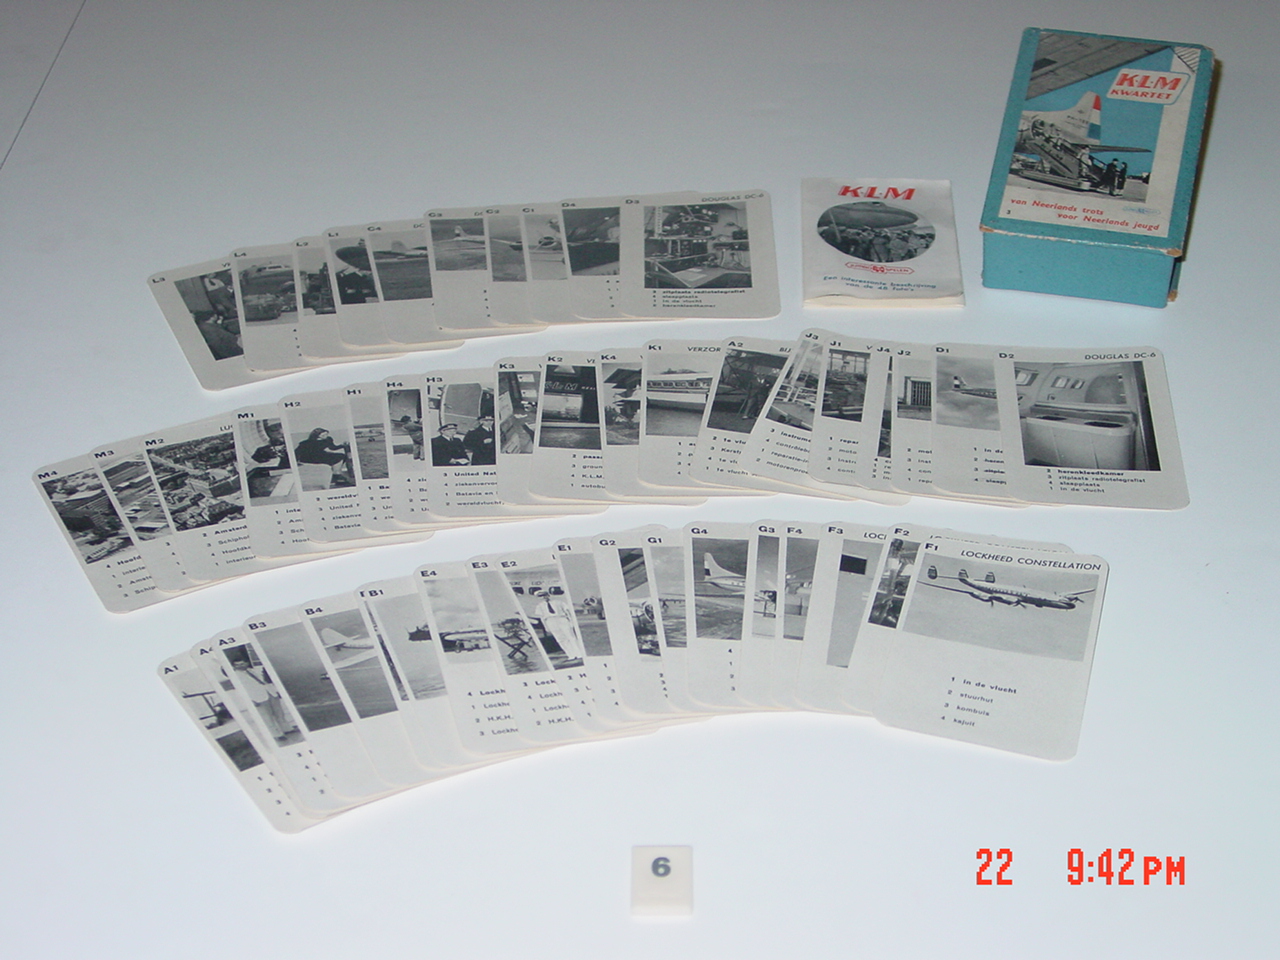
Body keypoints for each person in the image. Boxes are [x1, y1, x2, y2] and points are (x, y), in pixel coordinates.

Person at [533, 590, 584, 661]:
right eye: (540, 596)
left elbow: (567, 612)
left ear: (548, 595)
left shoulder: (558, 602)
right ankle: (571, 654)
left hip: (561, 619)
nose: (543, 597)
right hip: (550, 621)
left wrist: (571, 622)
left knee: (571, 637)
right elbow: (542, 618)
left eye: (544, 595)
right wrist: (546, 627)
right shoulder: (539, 606)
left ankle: (579, 653)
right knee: (560, 639)